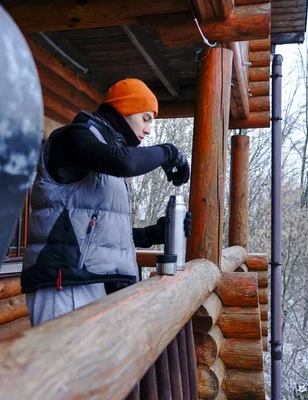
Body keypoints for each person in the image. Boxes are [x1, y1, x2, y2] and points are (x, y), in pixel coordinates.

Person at [20, 78, 192, 327]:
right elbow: (124, 162)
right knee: (67, 365)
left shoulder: (108, 159)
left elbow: (98, 234)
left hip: (93, 281)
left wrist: (156, 232)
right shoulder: (73, 138)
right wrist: (169, 152)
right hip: (65, 282)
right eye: (146, 118)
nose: (148, 130)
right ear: (125, 110)